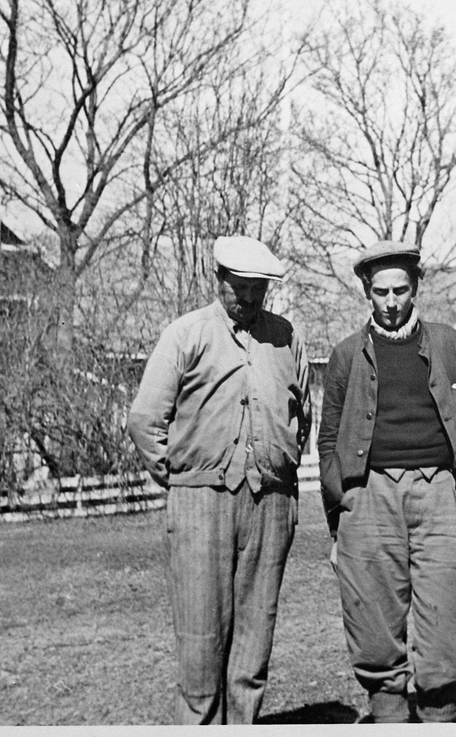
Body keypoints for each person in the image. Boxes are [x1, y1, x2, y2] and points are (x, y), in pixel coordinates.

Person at [317, 240, 456, 724]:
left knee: (449, 622)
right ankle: (389, 719)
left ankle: (441, 715)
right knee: (373, 623)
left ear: (416, 287)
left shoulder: (448, 344)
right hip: (370, 494)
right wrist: (340, 521)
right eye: (380, 291)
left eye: (401, 289)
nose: (391, 301)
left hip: (440, 490)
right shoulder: (345, 356)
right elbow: (328, 443)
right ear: (367, 292)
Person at [126, 236, 311, 725]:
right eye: (240, 289)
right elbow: (145, 420)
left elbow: (303, 414)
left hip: (270, 504)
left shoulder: (286, 336)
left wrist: (280, 469)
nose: (249, 300)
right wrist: (184, 479)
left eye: (259, 290)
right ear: (219, 279)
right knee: (201, 648)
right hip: (199, 504)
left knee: (253, 646)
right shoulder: (185, 334)